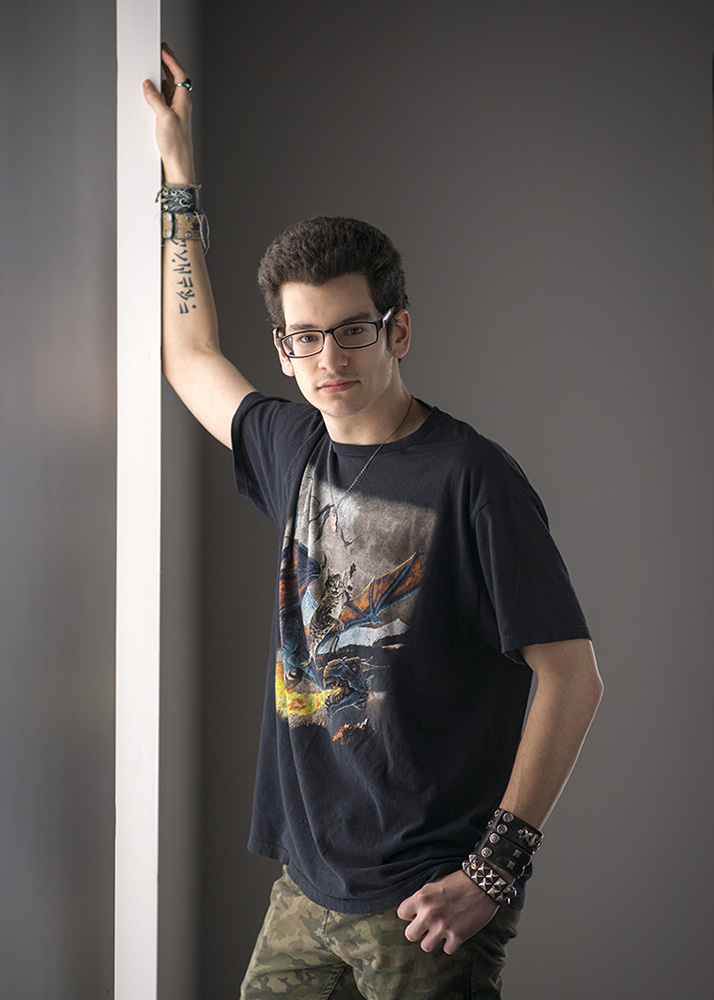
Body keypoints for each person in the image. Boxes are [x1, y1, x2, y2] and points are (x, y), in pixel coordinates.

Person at [144, 45, 604, 1000]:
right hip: (305, 885)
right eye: (304, 338)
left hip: (421, 903)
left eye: (353, 330)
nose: (328, 358)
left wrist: (493, 871)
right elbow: (188, 357)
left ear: (397, 330)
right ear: (283, 349)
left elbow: (573, 675)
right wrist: (177, 180)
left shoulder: (474, 479)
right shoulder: (289, 445)